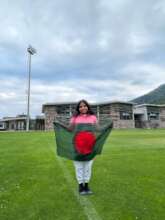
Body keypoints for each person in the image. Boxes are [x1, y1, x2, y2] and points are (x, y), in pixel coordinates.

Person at [69, 99, 97, 195]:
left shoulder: (93, 117)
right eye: (80, 106)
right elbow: (70, 129)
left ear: (88, 106)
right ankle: (81, 186)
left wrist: (108, 126)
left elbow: (97, 129)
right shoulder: (74, 118)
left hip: (90, 144)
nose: (83, 108)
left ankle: (87, 186)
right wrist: (59, 124)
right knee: (79, 166)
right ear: (78, 108)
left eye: (84, 106)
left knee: (88, 166)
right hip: (77, 144)